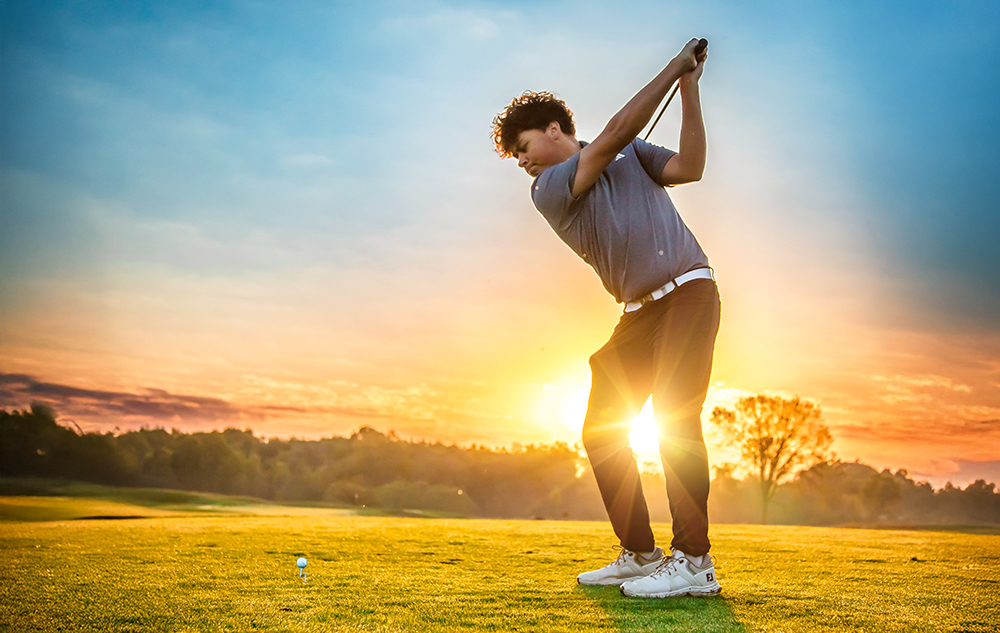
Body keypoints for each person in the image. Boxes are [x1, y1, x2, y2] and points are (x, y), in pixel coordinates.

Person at [490, 38, 721, 598]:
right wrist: (674, 68)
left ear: (553, 129)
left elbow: (690, 167)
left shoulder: (631, 153)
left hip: (689, 292)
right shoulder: (548, 188)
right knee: (601, 430)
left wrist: (688, 88)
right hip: (638, 313)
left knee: (675, 417)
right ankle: (641, 554)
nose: (520, 163)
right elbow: (615, 133)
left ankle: (695, 562)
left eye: (522, 148)